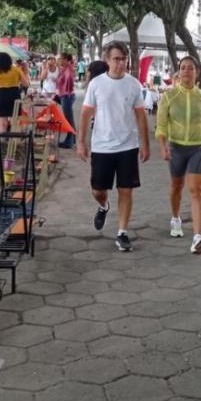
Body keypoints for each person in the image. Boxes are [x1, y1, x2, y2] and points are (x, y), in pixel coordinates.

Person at [77, 41, 150, 252]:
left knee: (126, 190)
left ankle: (122, 232)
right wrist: (81, 142)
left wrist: (145, 144)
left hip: (128, 145)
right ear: (107, 60)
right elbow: (85, 114)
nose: (121, 63)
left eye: (124, 59)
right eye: (116, 59)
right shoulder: (96, 84)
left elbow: (141, 115)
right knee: (98, 190)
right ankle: (103, 205)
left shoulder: (134, 84)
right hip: (102, 146)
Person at [155, 56, 201, 254]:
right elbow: (161, 124)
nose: (187, 71)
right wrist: (163, 146)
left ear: (197, 72)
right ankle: (175, 218)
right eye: (183, 68)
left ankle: (197, 237)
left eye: (191, 68)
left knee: (196, 191)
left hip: (198, 147)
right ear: (179, 72)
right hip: (176, 147)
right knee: (176, 187)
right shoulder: (169, 96)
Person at [0, 52, 27, 133]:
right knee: (15, 121)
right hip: (14, 94)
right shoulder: (16, 69)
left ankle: (3, 139)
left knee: (3, 123)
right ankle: (15, 139)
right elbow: (26, 83)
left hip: (1, 95)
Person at [56, 53, 78, 149]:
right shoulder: (64, 69)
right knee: (69, 119)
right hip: (64, 95)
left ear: (66, 59)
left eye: (61, 59)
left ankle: (69, 142)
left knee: (68, 120)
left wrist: (67, 91)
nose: (59, 61)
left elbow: (70, 81)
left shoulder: (68, 69)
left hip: (67, 96)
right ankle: (72, 139)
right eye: (59, 59)